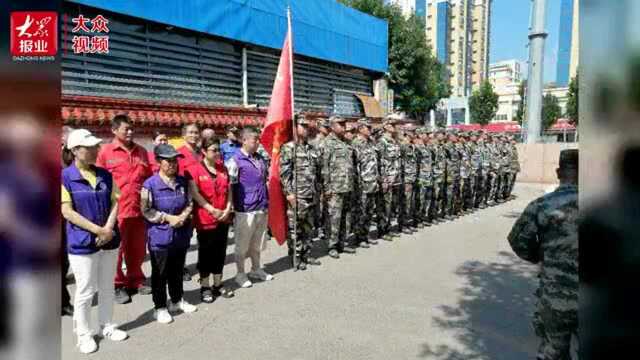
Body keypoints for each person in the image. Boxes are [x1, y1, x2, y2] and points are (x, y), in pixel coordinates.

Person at [62, 129, 129, 354]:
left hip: (109, 240)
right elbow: (67, 212)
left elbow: (115, 202)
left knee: (107, 286)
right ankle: (83, 334)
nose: (95, 150)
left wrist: (108, 228)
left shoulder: (105, 175)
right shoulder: (64, 177)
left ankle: (107, 325)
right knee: (86, 291)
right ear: (74, 151)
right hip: (82, 244)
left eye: (95, 146)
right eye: (89, 147)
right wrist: (97, 230)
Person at [508, 149, 579, 360]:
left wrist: (542, 257)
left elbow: (518, 241)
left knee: (553, 351)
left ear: (558, 172)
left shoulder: (542, 205)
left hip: (555, 293)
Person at [96, 114, 152, 304]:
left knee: (137, 249)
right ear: (114, 130)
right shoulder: (105, 152)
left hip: (138, 209)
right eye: (125, 129)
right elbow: (98, 181)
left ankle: (136, 279)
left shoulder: (142, 152)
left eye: (131, 128)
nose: (130, 132)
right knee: (116, 251)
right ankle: (117, 284)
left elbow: (149, 179)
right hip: (116, 211)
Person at [141, 144, 197, 324]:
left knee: (177, 269)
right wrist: (167, 218)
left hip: (180, 234)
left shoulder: (182, 182)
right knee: (160, 273)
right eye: (168, 161)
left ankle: (177, 300)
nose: (173, 164)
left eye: (175, 160)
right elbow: (146, 210)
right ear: (158, 162)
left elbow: (189, 202)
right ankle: (160, 307)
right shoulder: (150, 185)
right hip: (160, 236)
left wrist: (182, 216)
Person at [186, 138, 235, 302]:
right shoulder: (194, 170)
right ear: (204, 152)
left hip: (223, 217)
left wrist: (227, 209)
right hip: (206, 218)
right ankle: (205, 286)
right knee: (206, 253)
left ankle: (218, 284)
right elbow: (195, 193)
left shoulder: (223, 168)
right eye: (213, 150)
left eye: (218, 150)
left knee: (220, 252)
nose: (217, 153)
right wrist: (211, 209)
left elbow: (229, 191)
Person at [227, 127, 274, 288]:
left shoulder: (260, 158)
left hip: (261, 206)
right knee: (242, 244)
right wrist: (231, 207)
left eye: (258, 139)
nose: (257, 142)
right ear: (244, 140)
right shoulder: (235, 160)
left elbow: (265, 180)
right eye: (255, 139)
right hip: (245, 209)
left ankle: (256, 269)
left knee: (258, 242)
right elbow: (230, 186)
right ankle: (240, 273)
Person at [279, 115, 322, 270]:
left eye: (306, 126)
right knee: (295, 228)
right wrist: (289, 194)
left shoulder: (311, 148)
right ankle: (295, 257)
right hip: (297, 196)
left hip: (311, 194)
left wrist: (319, 191)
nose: (305, 128)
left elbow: (317, 173)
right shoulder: (289, 148)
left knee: (309, 228)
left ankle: (307, 254)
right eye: (302, 126)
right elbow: (284, 174)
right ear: (295, 127)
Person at [321, 116, 358, 258]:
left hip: (347, 186)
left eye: (344, 124)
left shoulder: (346, 142)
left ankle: (343, 242)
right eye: (340, 124)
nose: (343, 127)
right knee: (334, 218)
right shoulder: (327, 143)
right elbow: (324, 168)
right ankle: (332, 245)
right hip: (335, 188)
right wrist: (327, 188)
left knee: (346, 217)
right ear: (332, 126)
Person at [176, 123, 201, 281]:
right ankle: (181, 266)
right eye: (190, 132)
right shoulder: (178, 153)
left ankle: (202, 261)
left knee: (203, 233)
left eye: (196, 132)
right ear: (184, 134)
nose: (194, 135)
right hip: (186, 199)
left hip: (202, 198)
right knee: (184, 236)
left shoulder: (200, 153)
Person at [351, 118, 379, 247]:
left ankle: (366, 235)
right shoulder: (355, 143)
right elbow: (354, 165)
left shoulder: (370, 143)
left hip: (372, 182)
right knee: (360, 212)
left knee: (369, 211)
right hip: (362, 184)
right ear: (361, 128)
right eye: (368, 128)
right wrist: (357, 184)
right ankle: (359, 237)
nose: (370, 130)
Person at [376, 118, 402, 241]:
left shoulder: (394, 141)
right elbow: (380, 162)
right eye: (391, 125)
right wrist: (384, 179)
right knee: (385, 205)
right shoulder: (382, 142)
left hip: (395, 177)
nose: (394, 127)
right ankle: (382, 230)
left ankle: (388, 228)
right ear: (385, 126)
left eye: (394, 125)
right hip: (387, 178)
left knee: (392, 205)